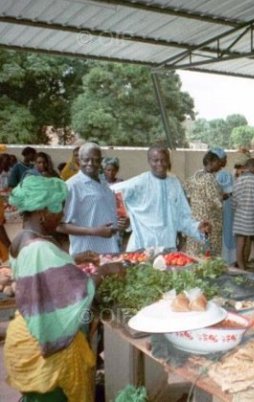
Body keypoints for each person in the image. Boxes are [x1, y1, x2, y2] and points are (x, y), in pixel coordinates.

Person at [3, 176, 124, 401]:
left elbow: (42, 277)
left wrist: (72, 259)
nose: (62, 216)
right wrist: (105, 272)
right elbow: (76, 292)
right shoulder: (41, 248)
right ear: (42, 212)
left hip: (23, 331)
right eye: (58, 209)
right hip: (44, 341)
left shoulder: (21, 239)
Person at [111, 146, 210, 251]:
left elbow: (182, 216)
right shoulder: (140, 182)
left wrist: (197, 228)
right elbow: (113, 191)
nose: (160, 164)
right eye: (155, 160)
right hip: (142, 245)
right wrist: (123, 217)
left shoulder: (174, 182)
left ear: (168, 161)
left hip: (167, 246)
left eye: (163, 160)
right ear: (149, 161)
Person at [58, 143, 127, 256]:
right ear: (79, 161)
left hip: (111, 249)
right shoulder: (72, 186)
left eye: (95, 160)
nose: (90, 163)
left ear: (100, 162)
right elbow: (59, 226)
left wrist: (121, 223)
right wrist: (94, 231)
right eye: (86, 160)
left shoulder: (103, 182)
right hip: (87, 253)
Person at [185, 151, 223, 257]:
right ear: (210, 162)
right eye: (218, 162)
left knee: (196, 248)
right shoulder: (210, 178)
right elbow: (216, 201)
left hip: (196, 218)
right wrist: (223, 197)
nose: (220, 165)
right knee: (209, 250)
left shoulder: (196, 176)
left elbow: (187, 192)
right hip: (209, 221)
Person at [232, 158, 254, 269]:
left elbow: (234, 200)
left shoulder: (238, 180)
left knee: (240, 244)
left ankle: (242, 269)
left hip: (240, 218)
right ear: (252, 167)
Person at [211, 148, 237, 265]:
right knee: (227, 231)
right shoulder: (225, 174)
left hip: (213, 208)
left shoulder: (209, 174)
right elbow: (229, 192)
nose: (226, 161)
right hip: (226, 207)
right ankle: (227, 259)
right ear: (219, 160)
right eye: (225, 159)